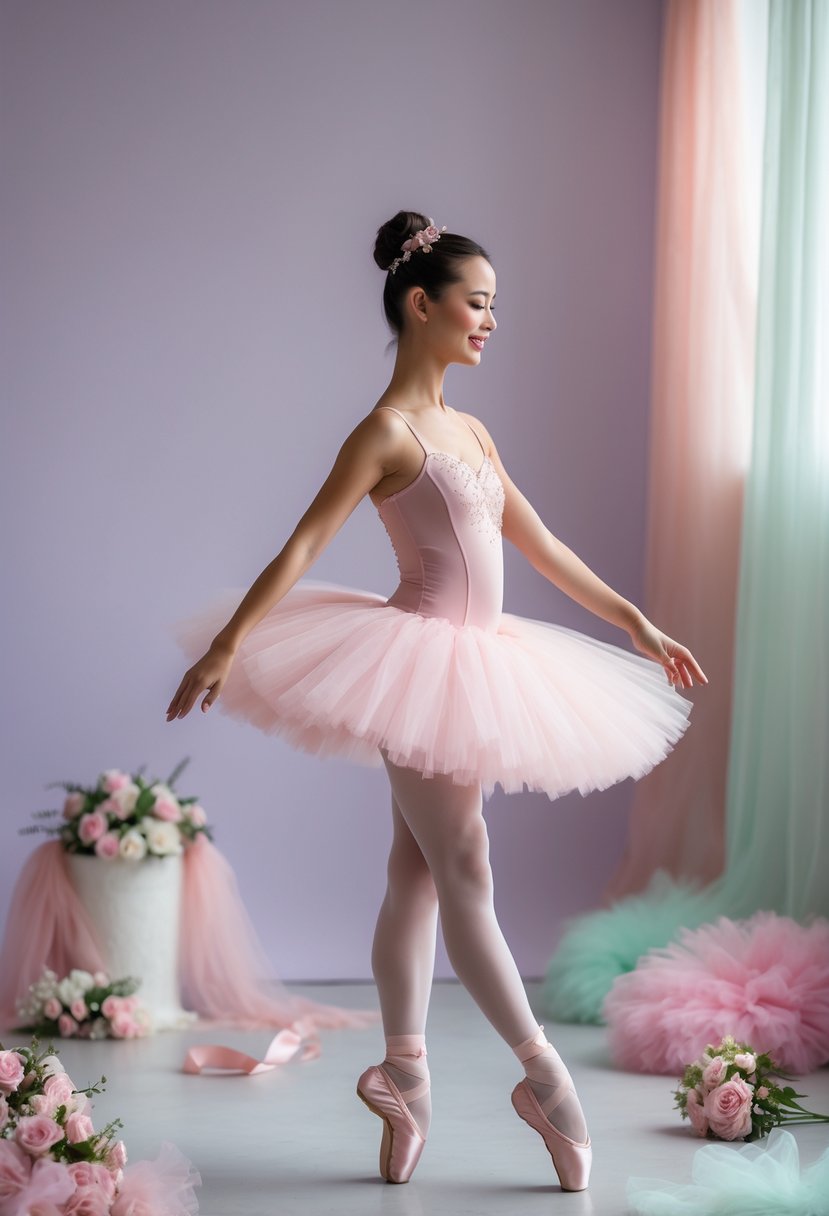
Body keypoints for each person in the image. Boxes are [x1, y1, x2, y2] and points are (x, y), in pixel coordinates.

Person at [166, 210, 707, 1190]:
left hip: (476, 662)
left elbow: (536, 542)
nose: (491, 320)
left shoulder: (469, 429)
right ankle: (543, 1076)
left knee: (417, 868)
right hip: (417, 663)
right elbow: (303, 542)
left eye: (494, 305)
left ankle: (406, 1075)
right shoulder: (387, 432)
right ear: (423, 305)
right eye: (477, 302)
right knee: (462, 862)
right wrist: (228, 646)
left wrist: (636, 621)